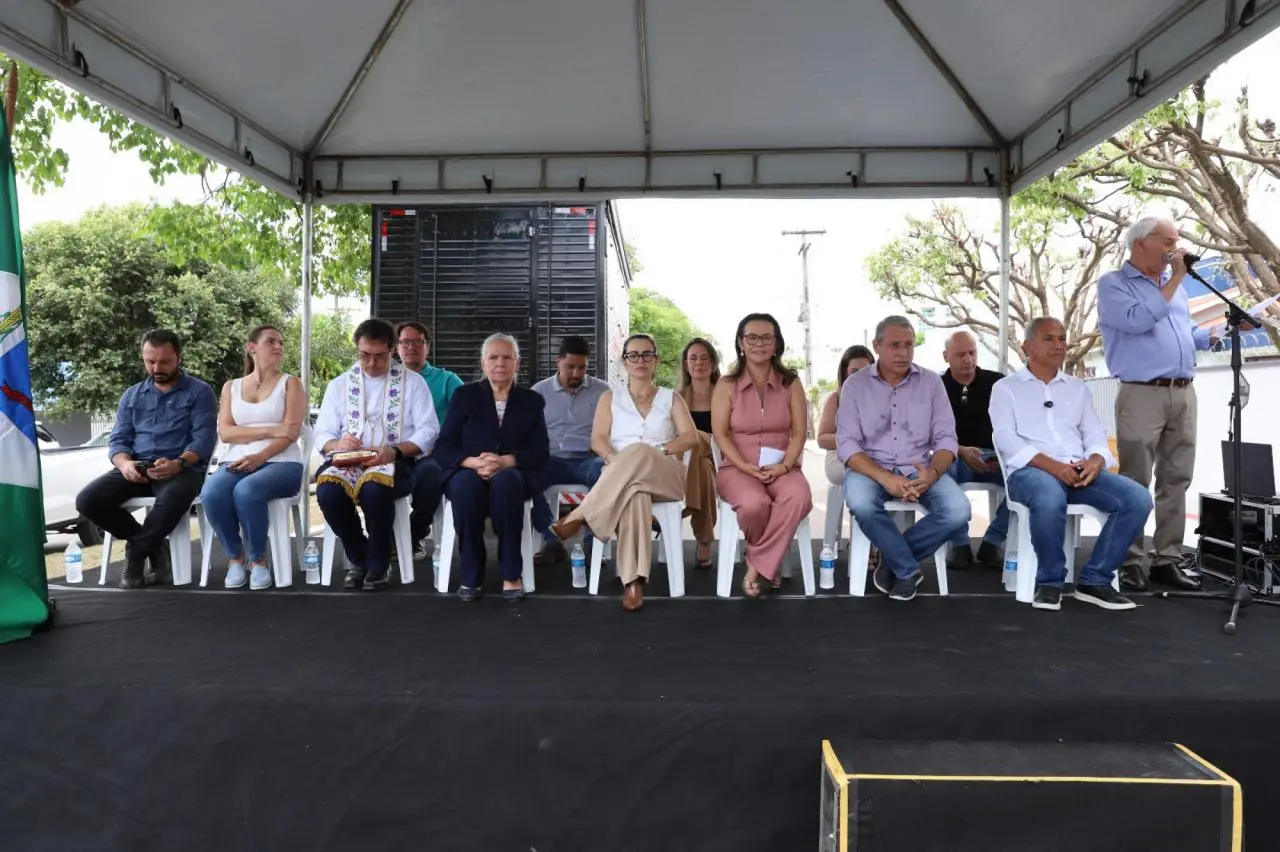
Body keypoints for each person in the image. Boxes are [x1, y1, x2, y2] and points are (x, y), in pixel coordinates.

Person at [991, 318, 1150, 611]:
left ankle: (1095, 579)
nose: (1059, 345)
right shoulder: (1006, 388)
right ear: (1028, 346)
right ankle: (1050, 581)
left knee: (1137, 498)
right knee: (1049, 495)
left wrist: (1095, 460)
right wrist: (1053, 467)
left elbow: (1094, 433)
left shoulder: (1077, 387)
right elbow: (1005, 439)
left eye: (1062, 339)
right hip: (1031, 472)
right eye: (1049, 339)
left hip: (1078, 470)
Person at [1098, 216, 1220, 592]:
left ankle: (1167, 558)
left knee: (1176, 478)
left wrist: (1213, 335)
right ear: (1140, 243)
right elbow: (1139, 320)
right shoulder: (1114, 285)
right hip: (1141, 392)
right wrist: (1178, 279)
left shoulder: (1172, 285)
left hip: (1183, 391)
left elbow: (1182, 329)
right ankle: (1131, 561)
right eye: (1167, 241)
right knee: (1135, 481)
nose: (1175, 249)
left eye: (1177, 241)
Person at [551, 334, 699, 610]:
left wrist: (659, 451)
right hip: (624, 479)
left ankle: (582, 514)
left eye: (647, 355)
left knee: (641, 450)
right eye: (633, 355)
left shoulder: (671, 398)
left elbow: (691, 437)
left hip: (666, 475)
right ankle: (633, 583)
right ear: (624, 362)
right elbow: (598, 440)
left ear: (656, 361)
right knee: (634, 494)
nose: (640, 361)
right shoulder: (610, 398)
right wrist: (620, 463)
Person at [837, 315, 970, 602]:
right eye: (895, 345)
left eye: (908, 345)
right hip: (870, 469)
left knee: (958, 510)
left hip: (919, 467)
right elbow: (846, 444)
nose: (903, 353)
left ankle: (895, 560)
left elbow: (947, 439)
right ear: (877, 346)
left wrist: (932, 474)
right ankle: (907, 568)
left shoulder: (931, 383)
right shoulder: (855, 386)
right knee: (861, 502)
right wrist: (885, 477)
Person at [76, 329, 218, 588]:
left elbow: (204, 440)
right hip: (138, 467)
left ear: (179, 358)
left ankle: (135, 555)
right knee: (88, 500)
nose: (156, 368)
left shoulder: (199, 392)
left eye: (164, 361)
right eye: (150, 361)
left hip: (182, 468)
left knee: (173, 498)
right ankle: (155, 548)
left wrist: (179, 463)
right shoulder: (132, 395)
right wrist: (124, 463)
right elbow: (118, 440)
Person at [314, 318, 439, 591]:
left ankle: (379, 563)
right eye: (364, 356)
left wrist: (394, 451)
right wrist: (337, 444)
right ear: (357, 351)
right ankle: (360, 558)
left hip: (395, 461)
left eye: (379, 357)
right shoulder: (340, 385)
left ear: (392, 351)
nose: (371, 364)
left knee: (374, 490)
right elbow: (321, 432)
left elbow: (429, 430)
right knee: (328, 492)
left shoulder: (413, 383)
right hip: (349, 459)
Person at [436, 334, 549, 602]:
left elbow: (540, 452)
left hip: (513, 473)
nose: (500, 363)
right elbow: (444, 446)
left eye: (507, 357)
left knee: (506, 482)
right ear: (483, 363)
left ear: (517, 363)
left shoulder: (531, 401)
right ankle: (470, 574)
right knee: (464, 487)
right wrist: (473, 462)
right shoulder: (465, 396)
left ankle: (511, 574)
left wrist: (505, 461)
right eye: (493, 357)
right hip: (469, 470)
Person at [712, 313, 813, 597]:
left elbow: (798, 433)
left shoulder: (791, 383)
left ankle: (756, 565)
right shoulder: (726, 384)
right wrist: (743, 465)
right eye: (752, 337)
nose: (759, 343)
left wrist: (785, 466)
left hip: (782, 467)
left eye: (766, 337)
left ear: (777, 343)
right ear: (741, 343)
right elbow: (720, 435)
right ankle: (771, 561)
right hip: (737, 468)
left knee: (798, 496)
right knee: (754, 503)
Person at [200, 325, 307, 590]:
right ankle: (236, 558)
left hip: (282, 461)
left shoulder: (291, 383)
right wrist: (271, 428)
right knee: (211, 493)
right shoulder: (231, 387)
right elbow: (225, 432)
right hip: (236, 459)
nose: (278, 346)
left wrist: (259, 454)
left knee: (246, 491)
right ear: (252, 347)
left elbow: (291, 433)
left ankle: (259, 560)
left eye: (280, 342)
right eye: (270, 341)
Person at [529, 336, 610, 566]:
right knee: (525, 477)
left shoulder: (603, 391)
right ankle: (551, 539)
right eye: (570, 367)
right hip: (551, 460)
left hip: (589, 459)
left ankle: (592, 542)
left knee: (605, 475)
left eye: (582, 367)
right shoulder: (539, 392)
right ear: (558, 363)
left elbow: (611, 431)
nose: (576, 373)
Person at [939, 330, 1009, 570]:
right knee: (941, 475)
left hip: (997, 458)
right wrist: (960, 451)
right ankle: (959, 545)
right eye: (960, 354)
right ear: (946, 356)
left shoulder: (998, 382)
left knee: (1029, 479)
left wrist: (1003, 455)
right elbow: (929, 433)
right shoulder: (935, 387)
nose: (968, 359)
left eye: (972, 353)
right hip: (955, 457)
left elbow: (1014, 425)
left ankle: (993, 541)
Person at [395, 321, 463, 560]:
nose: (411, 347)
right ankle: (383, 535)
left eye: (417, 342)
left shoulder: (447, 380)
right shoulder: (390, 380)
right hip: (398, 453)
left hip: (433, 454)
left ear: (427, 347)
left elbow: (468, 414)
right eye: (405, 342)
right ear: (397, 348)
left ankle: (414, 535)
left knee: (430, 474)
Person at [676, 337, 721, 567]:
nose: (699, 363)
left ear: (713, 364)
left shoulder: (726, 395)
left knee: (696, 441)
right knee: (699, 462)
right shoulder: (678, 398)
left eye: (705, 358)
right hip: (687, 465)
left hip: (721, 459)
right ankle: (704, 540)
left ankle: (690, 510)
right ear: (686, 364)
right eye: (693, 358)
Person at [817, 345, 874, 486]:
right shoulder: (836, 399)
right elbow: (822, 439)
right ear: (844, 372)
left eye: (865, 371)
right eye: (854, 372)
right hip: (840, 458)